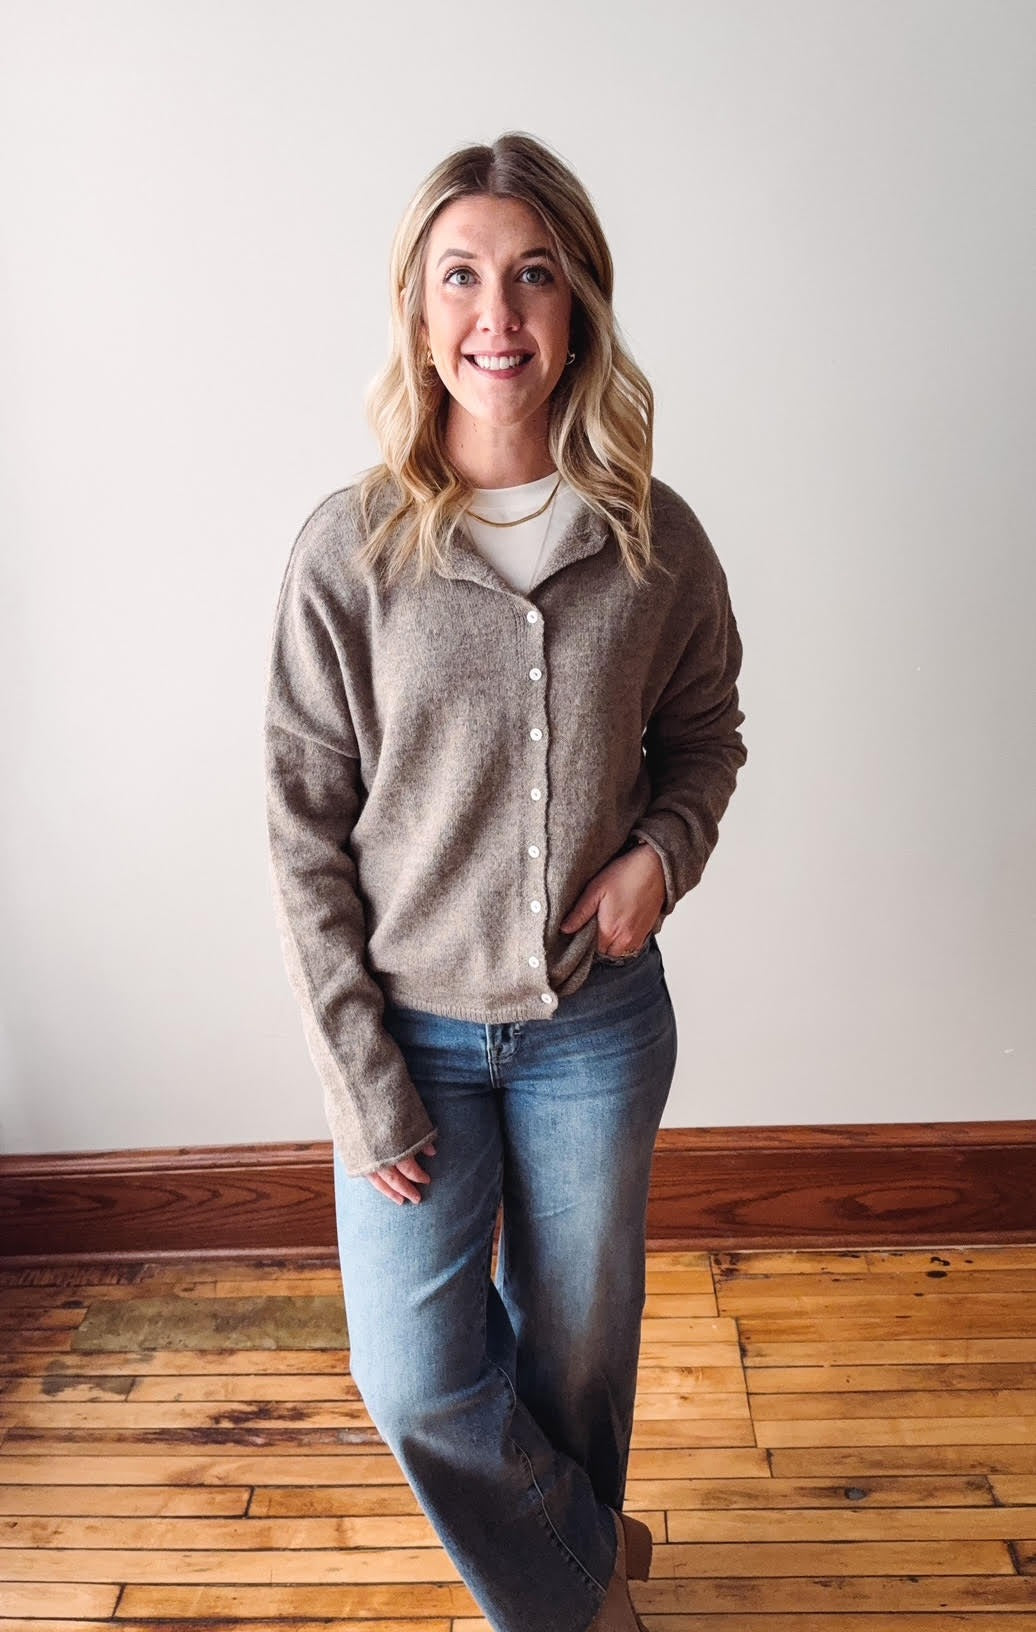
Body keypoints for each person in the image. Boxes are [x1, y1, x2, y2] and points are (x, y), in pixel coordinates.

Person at [264, 131, 747, 1632]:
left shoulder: (655, 544)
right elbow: (301, 829)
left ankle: (546, 1585)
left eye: (535, 274)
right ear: (418, 314)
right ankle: (582, 1588)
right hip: (407, 1031)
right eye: (462, 275)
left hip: (593, 1026)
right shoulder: (349, 552)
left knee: (579, 1357)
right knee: (413, 1374)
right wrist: (358, 1072)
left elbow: (708, 738)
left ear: (581, 306)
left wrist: (658, 865)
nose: (500, 311)